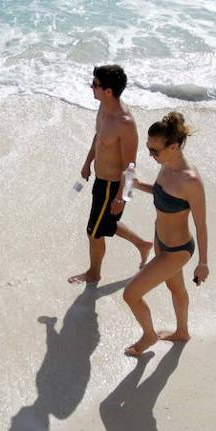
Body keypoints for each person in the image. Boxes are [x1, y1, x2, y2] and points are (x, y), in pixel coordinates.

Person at [122, 112, 208, 356]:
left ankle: (149, 336)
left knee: (131, 294)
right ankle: (182, 332)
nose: (152, 155)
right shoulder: (166, 165)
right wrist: (138, 185)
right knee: (176, 289)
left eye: (155, 151)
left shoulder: (191, 181)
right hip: (161, 242)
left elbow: (201, 224)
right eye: (149, 149)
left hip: (177, 251)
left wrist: (203, 263)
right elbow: (163, 193)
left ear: (173, 146)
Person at [69, 65, 152, 285]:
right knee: (105, 223)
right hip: (100, 180)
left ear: (108, 91)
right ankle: (143, 245)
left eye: (95, 84)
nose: (91, 87)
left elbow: (130, 166)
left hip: (113, 186)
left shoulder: (125, 123)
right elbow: (99, 136)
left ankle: (94, 273)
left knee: (94, 232)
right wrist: (88, 162)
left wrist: (121, 197)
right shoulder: (103, 107)